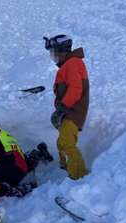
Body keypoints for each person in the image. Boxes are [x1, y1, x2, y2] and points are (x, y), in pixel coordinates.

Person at [43, 34, 89, 180]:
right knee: (62, 143)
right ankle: (69, 173)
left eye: (54, 52)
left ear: (63, 50)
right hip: (68, 112)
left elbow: (76, 88)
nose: (53, 56)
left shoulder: (73, 62)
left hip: (72, 112)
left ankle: (79, 178)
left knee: (67, 144)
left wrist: (61, 109)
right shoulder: (68, 66)